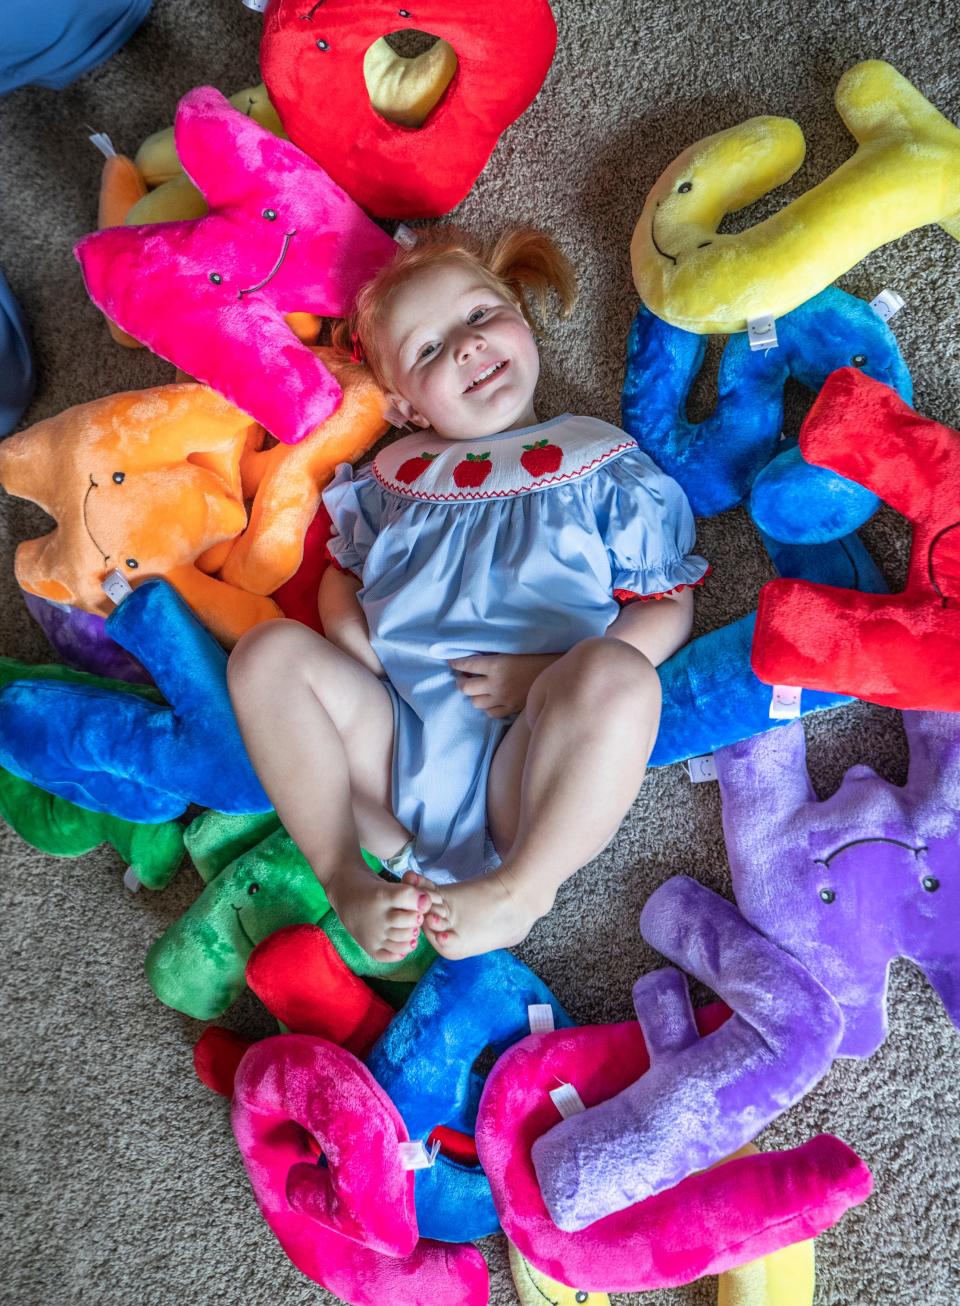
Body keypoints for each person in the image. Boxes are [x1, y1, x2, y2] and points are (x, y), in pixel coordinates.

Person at [227, 225, 708, 962]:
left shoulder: (595, 457)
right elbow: (341, 576)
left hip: (528, 761)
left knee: (619, 678)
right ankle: (344, 874)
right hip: (396, 741)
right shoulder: (395, 476)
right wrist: (351, 638)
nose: (465, 347)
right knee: (264, 656)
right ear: (405, 409)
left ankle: (524, 888)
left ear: (517, 309)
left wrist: (547, 674)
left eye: (480, 316)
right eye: (428, 350)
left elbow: (668, 601)